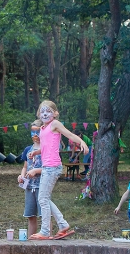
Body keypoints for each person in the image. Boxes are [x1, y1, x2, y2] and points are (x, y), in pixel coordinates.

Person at [29, 100, 88, 240]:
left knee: (42, 198)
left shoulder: (55, 124)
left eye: (48, 111)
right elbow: (46, 146)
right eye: (42, 111)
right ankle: (62, 224)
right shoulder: (43, 128)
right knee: (44, 198)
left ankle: (45, 231)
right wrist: (36, 153)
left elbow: (70, 135)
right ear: (38, 114)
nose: (44, 114)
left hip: (52, 167)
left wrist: (82, 142)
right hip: (46, 166)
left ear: (55, 113)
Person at [17, 123, 66, 242]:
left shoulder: (46, 149)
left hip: (42, 185)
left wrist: (36, 170)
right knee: (30, 216)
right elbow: (25, 166)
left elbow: (50, 168)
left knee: (45, 214)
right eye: (32, 132)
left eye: (37, 132)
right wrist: (22, 176)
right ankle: (31, 240)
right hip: (29, 186)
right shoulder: (28, 149)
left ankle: (46, 237)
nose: (34, 135)